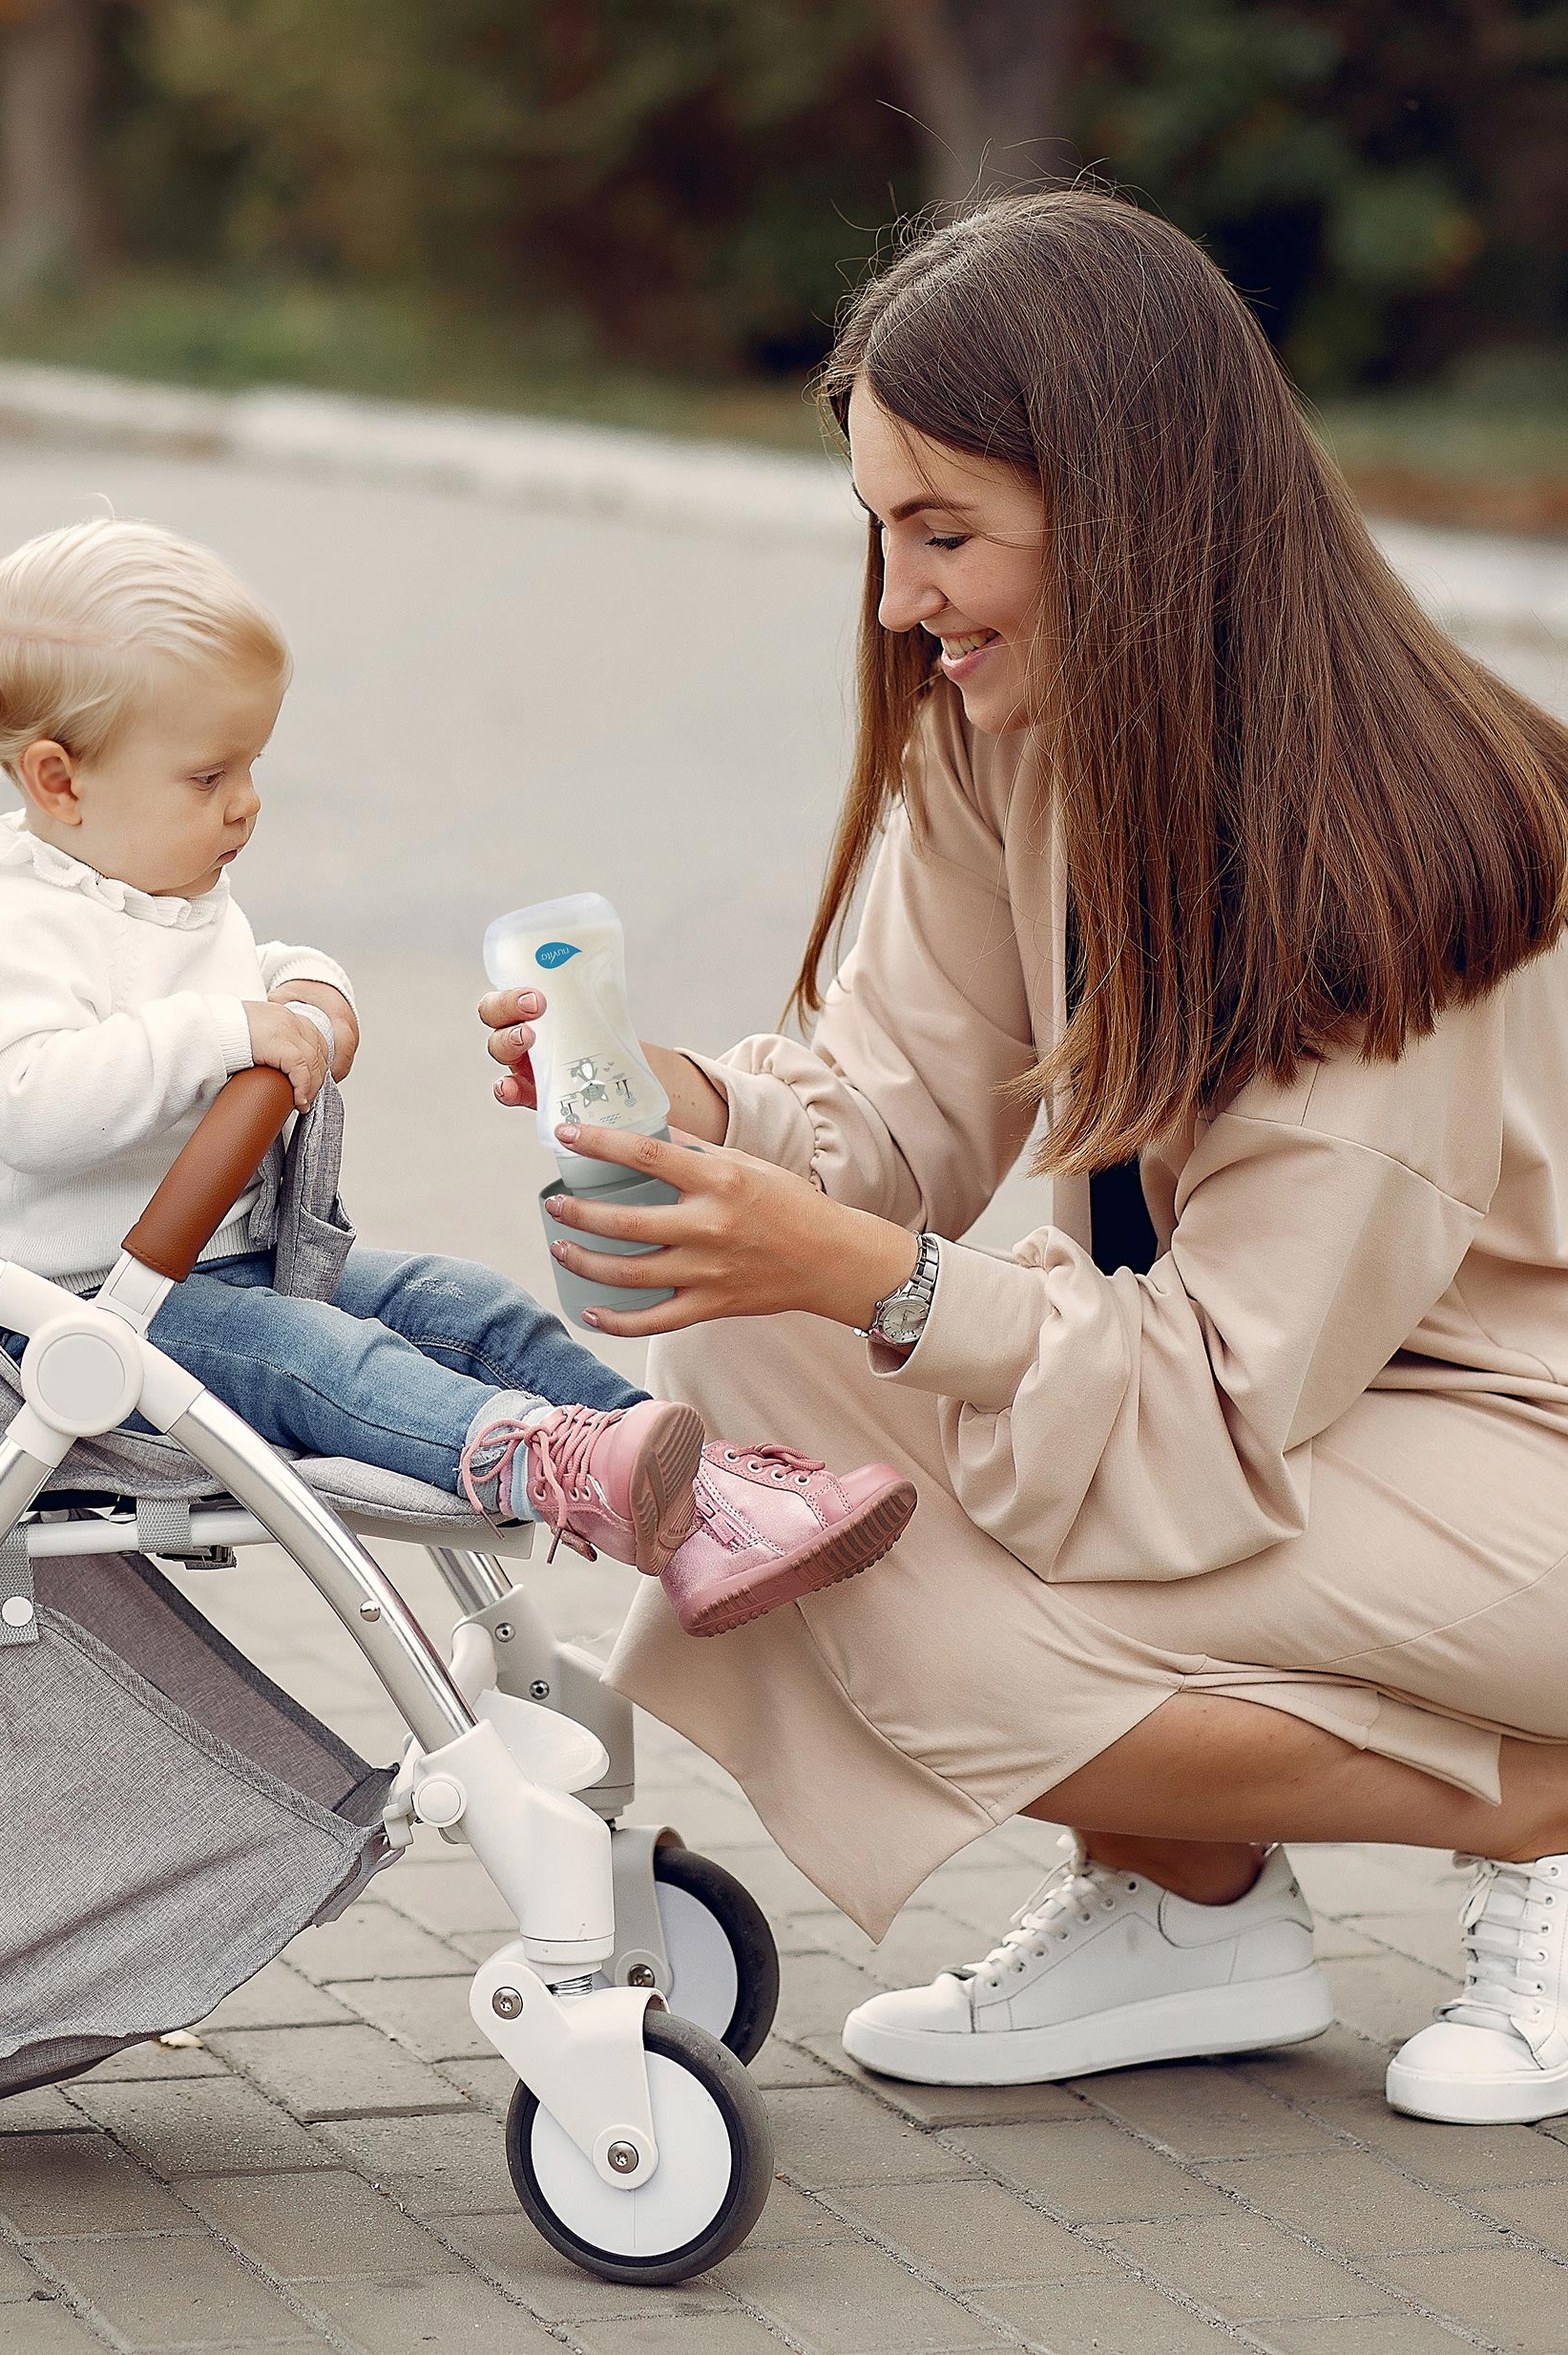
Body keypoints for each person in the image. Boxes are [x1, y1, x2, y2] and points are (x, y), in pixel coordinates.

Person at [478, 189, 1568, 2131]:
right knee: (753, 1421)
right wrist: (697, 1117)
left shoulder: (1391, 850)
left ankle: (1549, 1810)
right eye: (885, 534)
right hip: (1287, 1409)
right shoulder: (1016, 736)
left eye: (947, 532)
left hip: (1514, 1448)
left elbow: (1213, 1397)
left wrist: (872, 1280)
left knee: (905, 1571)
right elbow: (895, 1121)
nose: (903, 602)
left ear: (1130, 510)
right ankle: (1195, 1906)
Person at [0, 519, 914, 1638]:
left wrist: (313, 989)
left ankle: (707, 1494)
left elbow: (252, 966)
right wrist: (226, 1031)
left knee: (457, 1302)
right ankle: (541, 1462)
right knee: (324, 1358)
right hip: (83, 1312)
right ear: (59, 779)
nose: (244, 803)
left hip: (223, 1270)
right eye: (208, 775)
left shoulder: (149, 880)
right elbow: (32, 1104)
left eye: (252, 767)